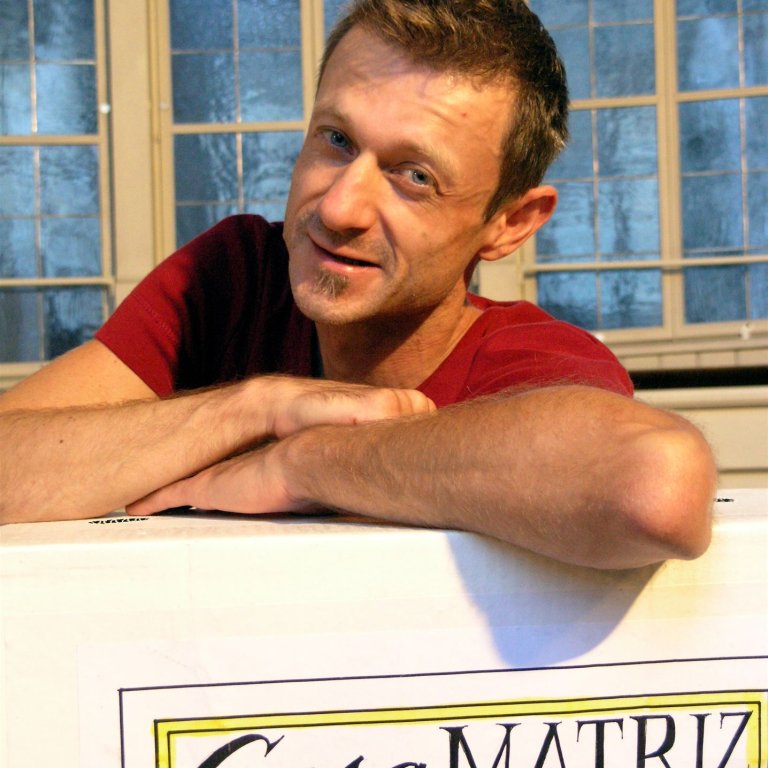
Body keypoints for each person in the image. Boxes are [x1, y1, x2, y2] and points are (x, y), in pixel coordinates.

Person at [0, 0, 716, 569]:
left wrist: (306, 462)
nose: (340, 208)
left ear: (509, 223)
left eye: (415, 177)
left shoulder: (530, 365)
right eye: (336, 139)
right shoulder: (237, 277)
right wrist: (255, 407)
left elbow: (656, 487)